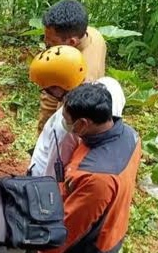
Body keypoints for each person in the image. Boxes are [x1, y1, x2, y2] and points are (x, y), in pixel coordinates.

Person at [35, 84, 141, 253]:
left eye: (67, 119)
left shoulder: (96, 177)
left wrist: (45, 249)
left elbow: (70, 226)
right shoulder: (130, 135)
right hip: (110, 228)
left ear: (83, 124)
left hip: (85, 242)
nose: (65, 124)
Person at [28, 46, 126, 177]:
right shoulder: (111, 86)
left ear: (58, 89)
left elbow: (53, 173)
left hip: (45, 173)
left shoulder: (66, 125)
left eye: (47, 89)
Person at [37, 0, 107, 132]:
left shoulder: (80, 79)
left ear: (72, 41)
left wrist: (45, 132)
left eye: (52, 41)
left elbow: (62, 121)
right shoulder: (93, 33)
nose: (46, 42)